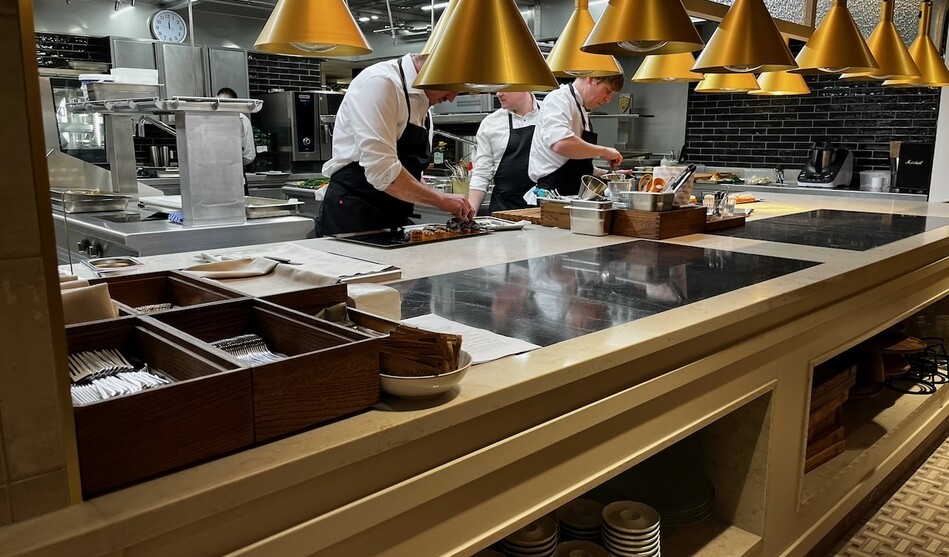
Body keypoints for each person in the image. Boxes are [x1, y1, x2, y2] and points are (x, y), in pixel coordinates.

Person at [317, 53, 476, 236]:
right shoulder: (381, 83)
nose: (452, 98)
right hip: (353, 215)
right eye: (452, 87)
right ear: (432, 68)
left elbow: (408, 171)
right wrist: (441, 199)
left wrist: (442, 197)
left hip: (393, 217)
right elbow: (383, 172)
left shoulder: (423, 105)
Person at [528, 75, 626, 196]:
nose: (608, 99)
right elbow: (561, 143)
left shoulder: (580, 108)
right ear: (592, 79)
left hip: (572, 194)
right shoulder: (559, 99)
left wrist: (609, 174)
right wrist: (605, 152)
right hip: (553, 195)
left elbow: (572, 166)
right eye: (607, 91)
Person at [467, 91, 542, 213]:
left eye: (505, 88)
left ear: (525, 85)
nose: (498, 93)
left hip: (546, 210)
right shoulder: (490, 124)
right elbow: (481, 174)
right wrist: (470, 214)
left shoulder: (551, 113)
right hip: (504, 212)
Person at [216, 87, 256, 168]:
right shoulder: (208, 119)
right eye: (219, 102)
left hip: (235, 169)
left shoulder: (241, 120)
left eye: (225, 103)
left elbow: (249, 155)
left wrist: (236, 164)